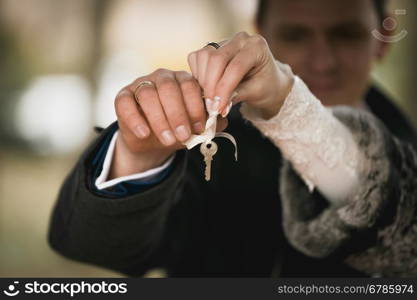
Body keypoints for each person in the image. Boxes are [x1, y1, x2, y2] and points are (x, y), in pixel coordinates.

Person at [48, 0, 417, 277]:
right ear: (262, 33)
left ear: (382, 42)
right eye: (295, 34)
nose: (322, 60)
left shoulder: (407, 149)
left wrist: (286, 102)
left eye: (345, 34)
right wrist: (138, 154)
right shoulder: (207, 137)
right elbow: (92, 245)